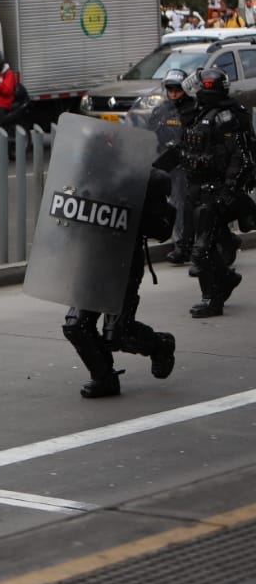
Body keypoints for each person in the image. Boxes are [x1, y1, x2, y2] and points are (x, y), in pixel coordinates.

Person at [62, 169, 178, 398]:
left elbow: (159, 229)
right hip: (92, 260)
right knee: (76, 326)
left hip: (123, 263)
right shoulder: (86, 170)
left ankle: (160, 345)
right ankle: (104, 377)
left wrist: (139, 202)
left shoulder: (140, 176)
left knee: (119, 334)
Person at [177, 68, 256, 318]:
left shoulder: (226, 116)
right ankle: (226, 278)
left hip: (217, 190)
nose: (202, 88)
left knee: (203, 249)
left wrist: (228, 191)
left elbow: (240, 158)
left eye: (206, 84)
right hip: (199, 188)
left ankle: (213, 298)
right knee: (202, 242)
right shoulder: (202, 113)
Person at [150, 69, 199, 264]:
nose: (173, 93)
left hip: (190, 163)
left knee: (189, 203)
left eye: (177, 89)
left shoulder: (194, 108)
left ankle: (189, 243)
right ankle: (181, 242)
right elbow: (150, 132)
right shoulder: (161, 109)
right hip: (169, 164)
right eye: (169, 89)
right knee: (174, 203)